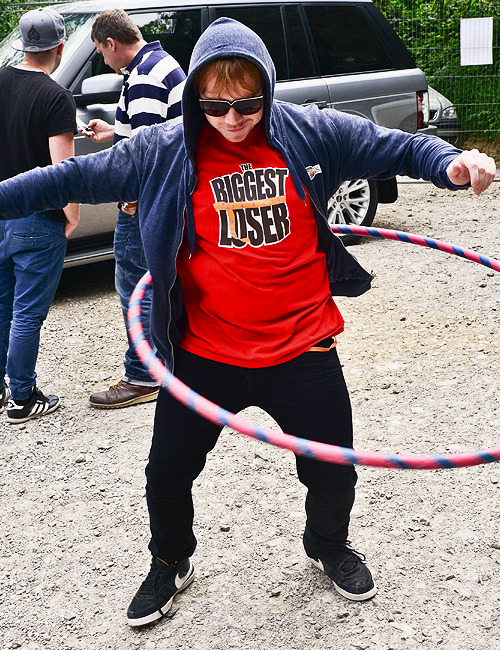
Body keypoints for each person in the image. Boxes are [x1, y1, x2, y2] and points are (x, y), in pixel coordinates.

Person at [0, 18, 495, 624]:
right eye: (214, 105)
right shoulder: (164, 149)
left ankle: (328, 546)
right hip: (206, 352)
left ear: (267, 89)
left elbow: (398, 146)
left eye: (247, 103)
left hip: (303, 347)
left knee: (333, 467)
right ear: (193, 97)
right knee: (167, 471)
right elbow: (68, 176)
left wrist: (452, 163)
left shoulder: (308, 130)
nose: (232, 118)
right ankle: (169, 562)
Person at [81, 9, 186, 409]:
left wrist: (133, 203)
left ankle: (143, 374)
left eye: (100, 52)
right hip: (167, 198)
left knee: (134, 288)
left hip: (146, 204)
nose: (103, 60)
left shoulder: (143, 78)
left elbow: (149, 154)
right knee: (161, 285)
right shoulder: (160, 65)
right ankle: (169, 363)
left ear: (111, 43)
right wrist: (114, 133)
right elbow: (149, 135)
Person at [0, 7, 78, 425]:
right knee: (28, 313)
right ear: (60, 48)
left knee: (0, 307)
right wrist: (72, 216)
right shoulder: (55, 97)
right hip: (36, 220)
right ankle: (22, 397)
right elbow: (61, 173)